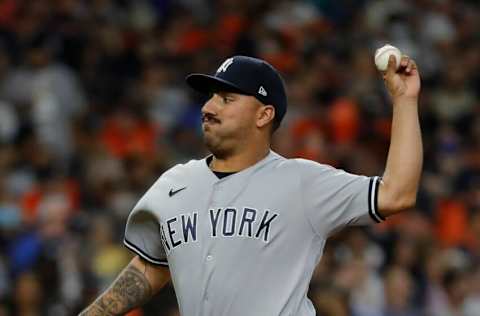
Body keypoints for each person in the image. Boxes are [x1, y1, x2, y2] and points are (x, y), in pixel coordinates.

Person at [79, 54, 422, 315]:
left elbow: (396, 193)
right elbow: (150, 266)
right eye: (211, 96)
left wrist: (404, 101)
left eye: (227, 99)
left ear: (263, 115)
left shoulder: (302, 182)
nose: (209, 108)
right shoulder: (174, 183)